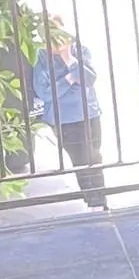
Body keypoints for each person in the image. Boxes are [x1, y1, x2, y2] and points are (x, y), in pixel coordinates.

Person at [31, 21, 108, 209]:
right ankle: (93, 200)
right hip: (63, 119)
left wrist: (68, 60)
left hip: (88, 113)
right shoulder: (41, 58)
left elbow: (89, 79)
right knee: (80, 159)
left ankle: (101, 198)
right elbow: (45, 93)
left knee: (93, 156)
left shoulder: (80, 50)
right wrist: (70, 79)